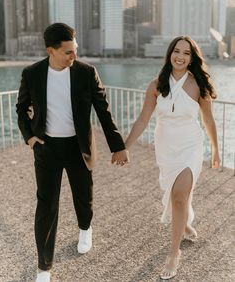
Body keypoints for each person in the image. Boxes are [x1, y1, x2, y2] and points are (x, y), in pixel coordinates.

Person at [16, 23, 129, 282]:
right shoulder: (32, 74)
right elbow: (21, 108)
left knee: (83, 197)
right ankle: (44, 267)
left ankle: (85, 228)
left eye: (75, 50)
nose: (74, 56)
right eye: (68, 52)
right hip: (47, 148)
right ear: (51, 51)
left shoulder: (86, 73)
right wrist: (30, 137)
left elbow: (103, 110)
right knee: (46, 206)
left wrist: (118, 146)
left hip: (79, 148)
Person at [125, 36, 220, 280]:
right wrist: (124, 147)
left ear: (192, 58)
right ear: (169, 54)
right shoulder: (156, 85)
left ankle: (173, 254)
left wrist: (216, 150)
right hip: (166, 147)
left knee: (179, 195)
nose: (180, 56)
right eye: (176, 51)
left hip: (190, 145)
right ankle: (185, 222)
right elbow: (143, 119)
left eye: (186, 53)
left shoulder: (198, 83)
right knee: (175, 194)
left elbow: (208, 120)